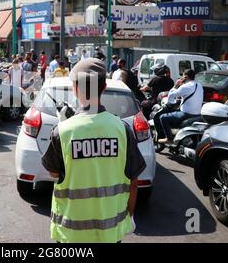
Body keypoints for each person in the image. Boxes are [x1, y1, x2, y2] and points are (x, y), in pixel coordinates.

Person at [42, 58, 146, 243]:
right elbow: (134, 181)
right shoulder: (122, 130)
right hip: (110, 232)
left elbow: (53, 172)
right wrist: (128, 215)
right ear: (104, 86)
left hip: (71, 233)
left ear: (75, 88)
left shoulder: (62, 131)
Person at [154, 69, 204, 144]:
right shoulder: (199, 85)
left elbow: (171, 95)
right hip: (197, 113)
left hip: (186, 114)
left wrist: (176, 85)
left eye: (182, 76)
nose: (181, 77)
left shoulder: (186, 86)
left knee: (163, 117)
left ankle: (169, 138)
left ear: (185, 77)